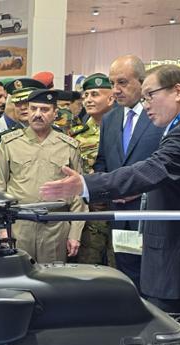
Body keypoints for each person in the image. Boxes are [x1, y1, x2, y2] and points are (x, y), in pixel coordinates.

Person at [40, 64, 180, 345]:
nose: (146, 104)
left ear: (178, 91)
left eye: (151, 95)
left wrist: (87, 185)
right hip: (176, 258)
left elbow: (149, 170)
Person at [0, 89, 87, 263]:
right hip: (19, 225)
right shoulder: (9, 143)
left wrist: (75, 233)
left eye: (44, 110)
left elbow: (78, 195)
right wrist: (2, 229)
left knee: (52, 281)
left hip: (55, 225)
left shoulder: (68, 146)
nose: (37, 114)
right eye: (33, 109)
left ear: (55, 113)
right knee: (17, 279)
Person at [92, 54, 164, 286]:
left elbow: (166, 165)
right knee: (126, 278)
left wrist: (140, 191)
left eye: (122, 82)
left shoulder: (158, 116)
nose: (115, 90)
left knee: (154, 281)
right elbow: (103, 161)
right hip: (119, 217)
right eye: (112, 83)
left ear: (142, 82)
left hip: (151, 215)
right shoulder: (110, 118)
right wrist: (108, 191)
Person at [72, 73, 116, 266]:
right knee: (88, 272)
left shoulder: (125, 130)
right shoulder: (76, 135)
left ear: (111, 97)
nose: (88, 100)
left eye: (95, 94)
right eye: (86, 95)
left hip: (119, 210)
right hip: (89, 217)